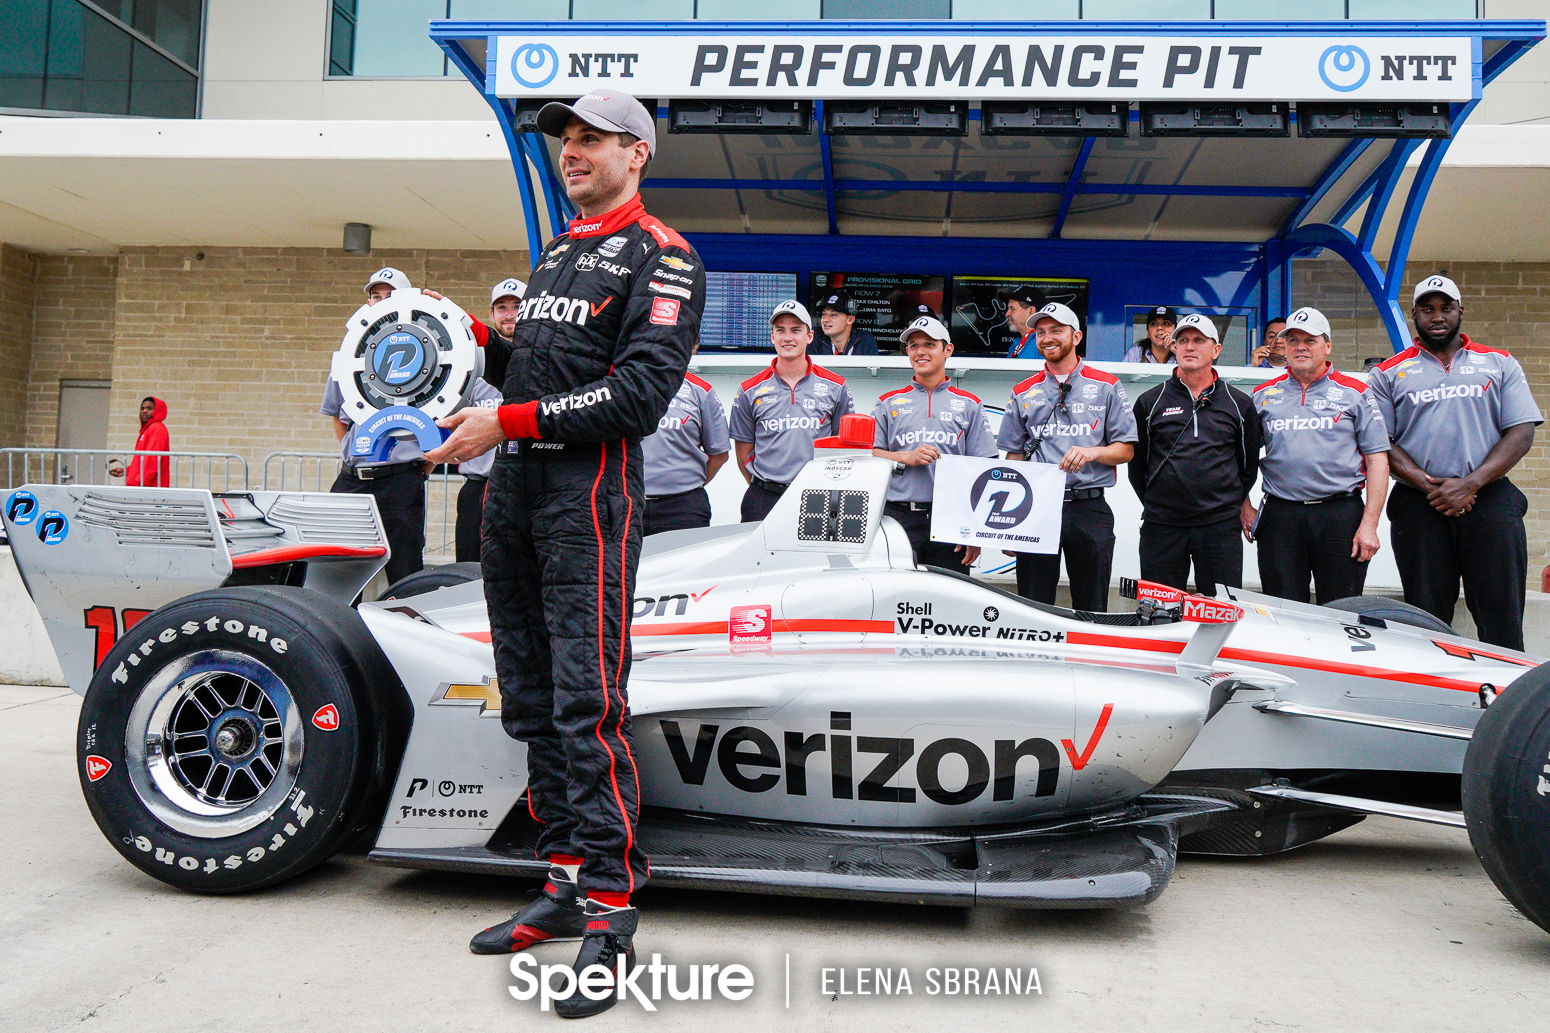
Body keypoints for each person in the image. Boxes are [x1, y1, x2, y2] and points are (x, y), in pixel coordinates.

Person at [425, 90, 704, 1016]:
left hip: (588, 496)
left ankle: (613, 912)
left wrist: (502, 419)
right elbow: (536, 377)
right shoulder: (558, 250)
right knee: (531, 698)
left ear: (639, 152)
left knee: (588, 704)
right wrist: (464, 364)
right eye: (564, 140)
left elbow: (637, 399)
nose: (571, 152)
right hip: (514, 491)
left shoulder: (662, 254)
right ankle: (561, 878)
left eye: (591, 139)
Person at [1368, 274, 1542, 650]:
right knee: (1425, 619)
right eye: (1427, 309)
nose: (1437, 316)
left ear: (1461, 311)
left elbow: (1522, 432)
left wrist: (1472, 482)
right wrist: (1427, 483)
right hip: (1420, 504)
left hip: (1490, 500)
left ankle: (1506, 695)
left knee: (1501, 615)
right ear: (1414, 314)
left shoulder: (1498, 363)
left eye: (1446, 308)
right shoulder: (1387, 373)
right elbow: (1381, 441)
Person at [1241, 307, 1390, 604]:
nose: (1300, 347)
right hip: (1280, 515)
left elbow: (1377, 459)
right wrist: (1244, 505)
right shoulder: (1262, 394)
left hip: (1339, 514)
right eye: (1293, 340)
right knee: (1281, 608)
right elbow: (1241, 457)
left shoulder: (1356, 392)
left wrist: (1370, 524)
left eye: (1310, 340)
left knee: (1341, 609)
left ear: (1328, 345)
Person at [998, 303, 1137, 612]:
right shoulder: (1022, 391)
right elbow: (1014, 455)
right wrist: (1010, 522)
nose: (1047, 338)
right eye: (1041, 332)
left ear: (1077, 337)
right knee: (1032, 605)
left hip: (1089, 507)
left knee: (1092, 605)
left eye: (1056, 331)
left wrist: (1094, 452)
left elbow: (1126, 449)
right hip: (1036, 508)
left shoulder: (1107, 385)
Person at [1130, 314, 1261, 597]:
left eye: (1199, 340)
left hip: (1219, 529)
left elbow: (1248, 465)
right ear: (1174, 347)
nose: (1190, 346)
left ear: (1216, 350)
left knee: (1221, 613)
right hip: (1161, 527)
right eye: (1183, 340)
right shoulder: (1150, 402)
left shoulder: (1239, 403)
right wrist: (1161, 501)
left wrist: (1228, 503)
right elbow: (1137, 465)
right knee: (1158, 613)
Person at [321, 268, 432, 587]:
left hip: (399, 484)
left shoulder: (427, 354)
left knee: (404, 572)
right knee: (336, 570)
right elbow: (337, 415)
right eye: (375, 296)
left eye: (390, 296)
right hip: (351, 482)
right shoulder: (349, 357)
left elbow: (444, 418)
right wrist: (352, 456)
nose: (381, 302)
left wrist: (423, 467)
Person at [871, 315, 996, 569]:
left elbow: (982, 470)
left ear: (947, 350)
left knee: (949, 599)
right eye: (914, 345)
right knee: (897, 599)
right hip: (898, 517)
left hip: (952, 519)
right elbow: (869, 455)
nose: (920, 352)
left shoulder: (970, 404)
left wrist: (974, 529)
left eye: (929, 344)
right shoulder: (887, 402)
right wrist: (904, 457)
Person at [728, 300, 855, 522]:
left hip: (819, 496)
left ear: (809, 336)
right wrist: (768, 487)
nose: (788, 337)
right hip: (763, 499)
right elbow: (743, 454)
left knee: (814, 558)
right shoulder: (749, 390)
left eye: (796, 330)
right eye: (781, 330)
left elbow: (842, 448)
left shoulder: (837, 386)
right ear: (772, 337)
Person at [453, 278, 526, 562]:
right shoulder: (470, 366)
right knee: (468, 570)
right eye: (502, 307)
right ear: (492, 314)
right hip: (478, 486)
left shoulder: (543, 364)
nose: (509, 314)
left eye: (517, 307)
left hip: (521, 485)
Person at [641, 361, 730, 536]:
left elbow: (719, 455)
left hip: (683, 509)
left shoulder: (701, 391)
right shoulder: (626, 387)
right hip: (628, 504)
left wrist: (688, 486)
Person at [116, 396, 171, 487]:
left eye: (149, 408)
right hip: (142, 485)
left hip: (148, 487)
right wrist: (127, 471)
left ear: (157, 410)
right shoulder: (148, 429)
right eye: (142, 408)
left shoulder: (157, 429)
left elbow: (152, 460)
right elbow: (142, 460)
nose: (144, 411)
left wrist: (139, 482)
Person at [811, 290, 879, 356]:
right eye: (824, 314)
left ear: (850, 319)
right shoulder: (813, 337)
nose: (825, 319)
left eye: (833, 315)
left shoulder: (865, 339)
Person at [1003, 285, 1045, 359]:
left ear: (1031, 311)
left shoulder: (1044, 344)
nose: (1007, 314)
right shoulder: (1015, 346)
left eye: (1013, 309)